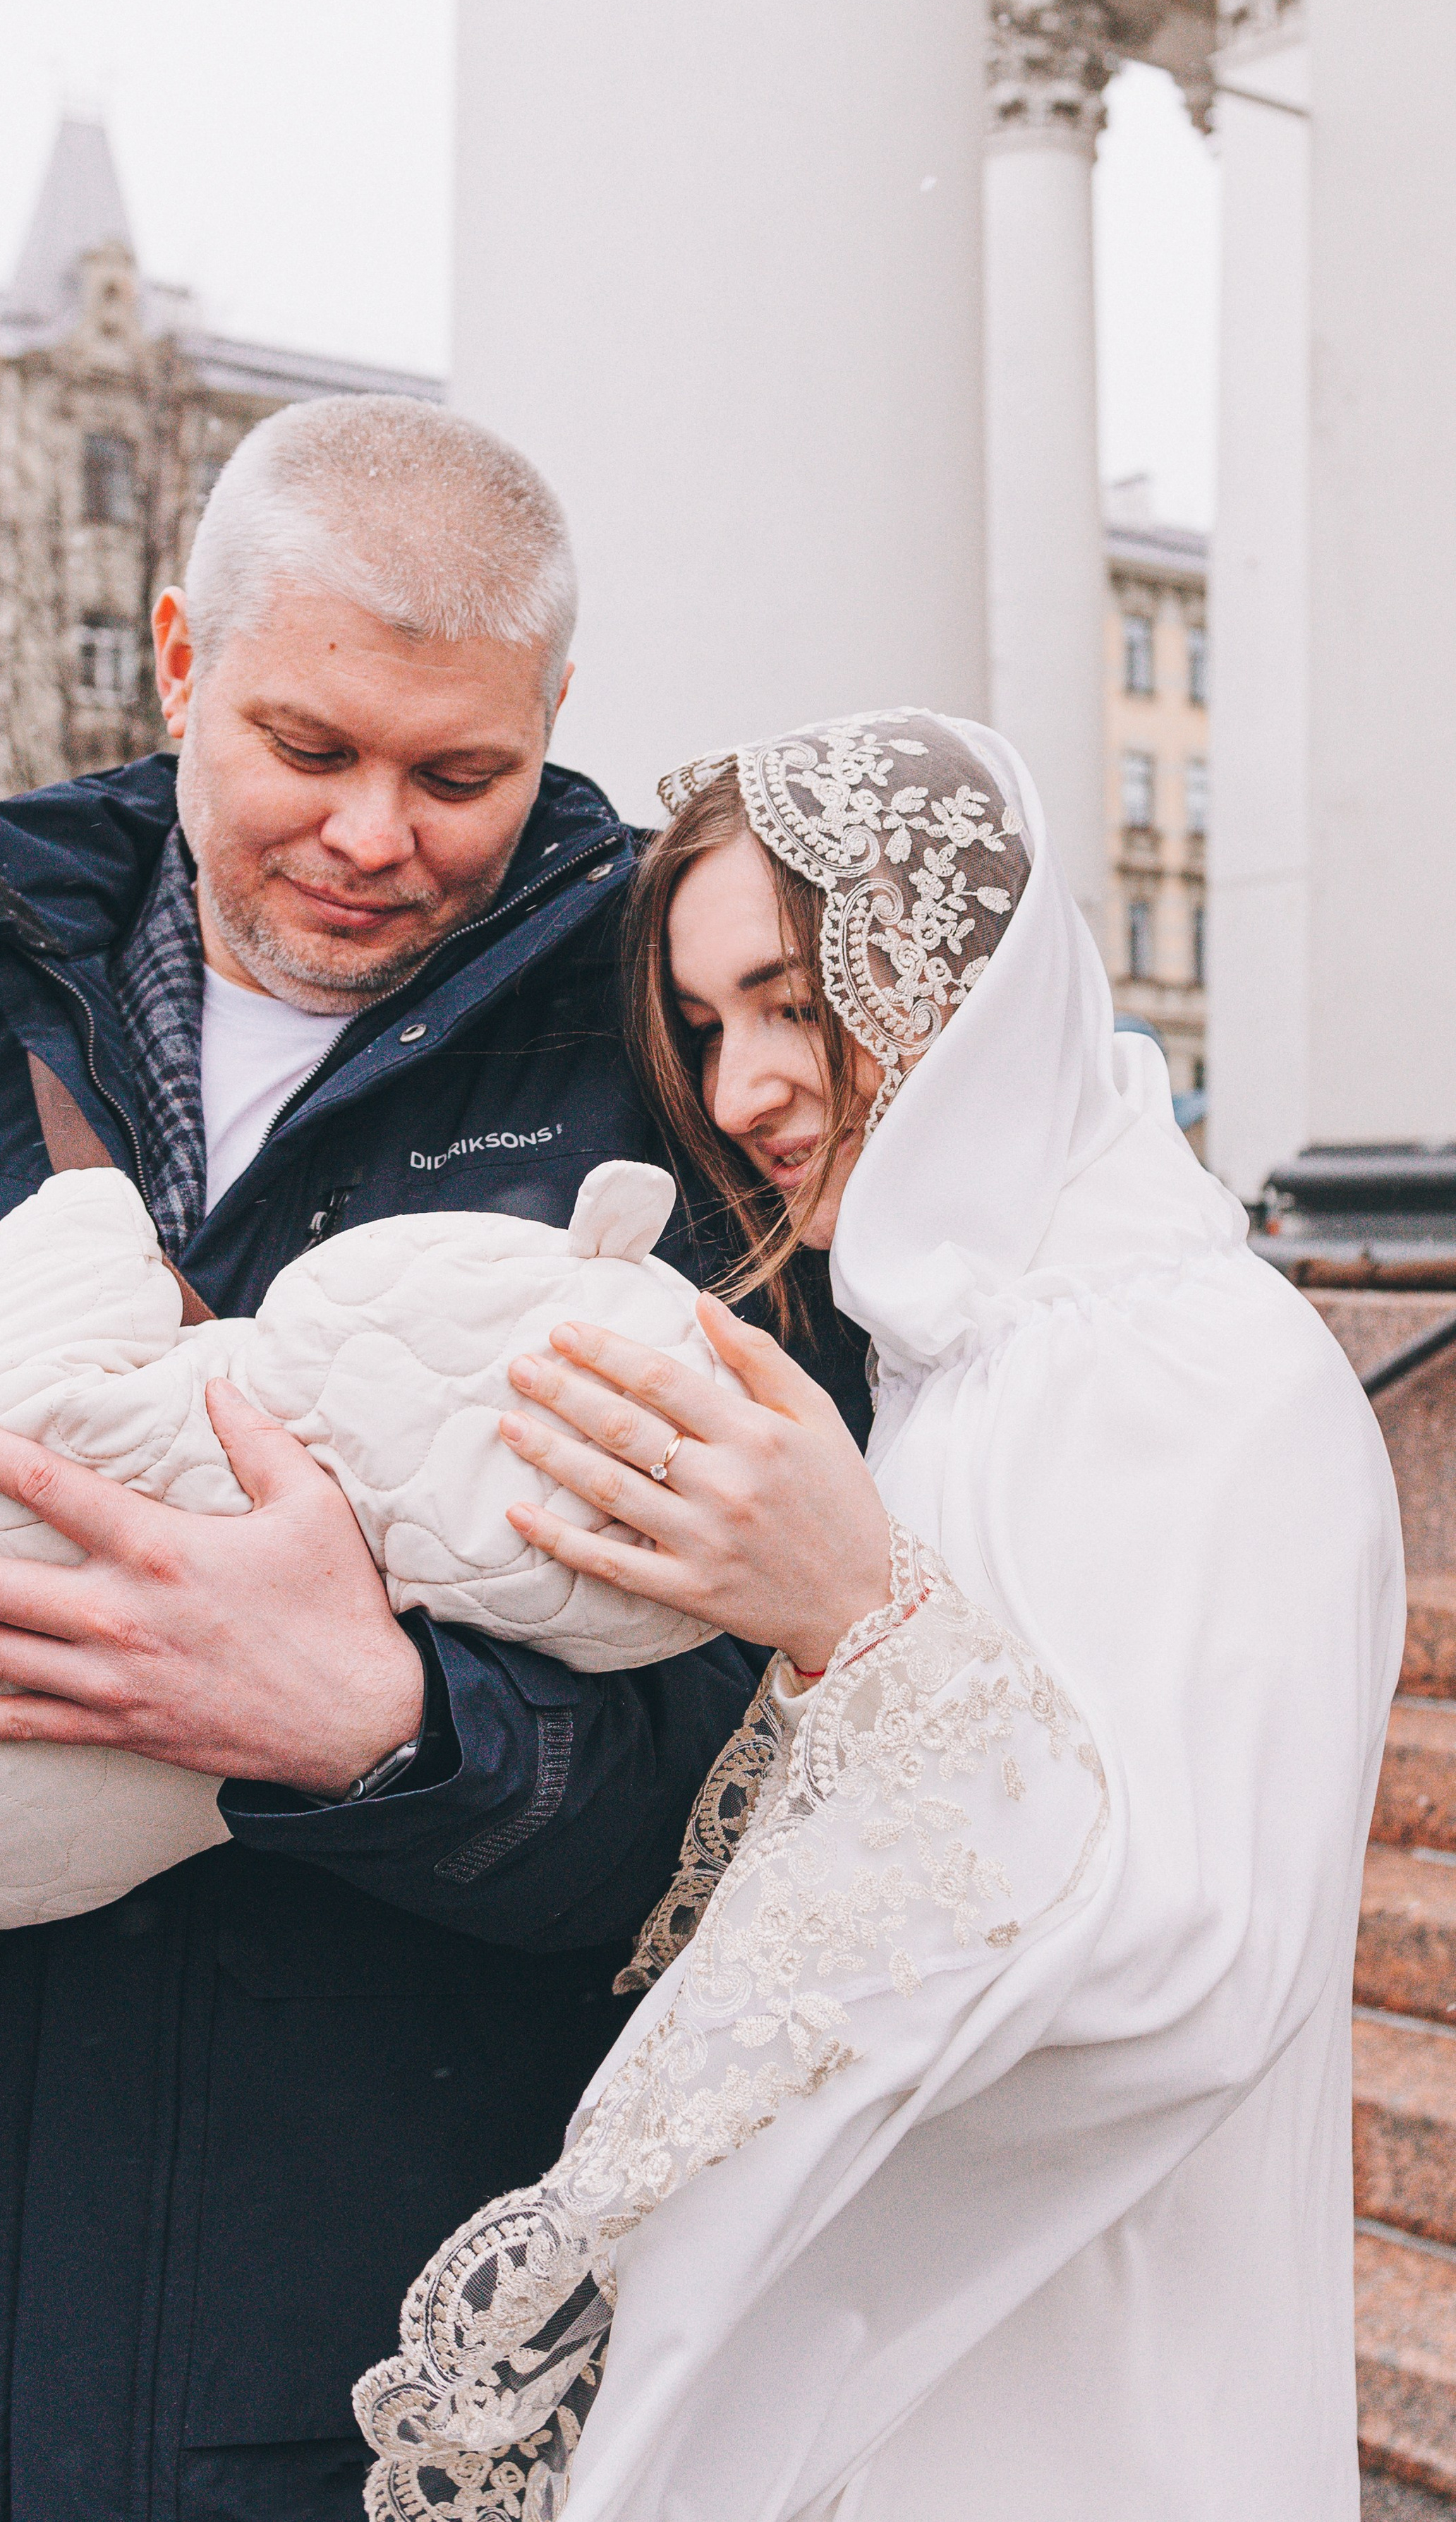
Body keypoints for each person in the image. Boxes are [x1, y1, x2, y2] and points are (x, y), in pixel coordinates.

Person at [0, 399, 867, 2522]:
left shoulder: (676, 1083)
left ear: (553, 715)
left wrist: (384, 1732)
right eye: (310, 749)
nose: (378, 832)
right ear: (181, 657)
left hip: (386, 2395)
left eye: (459, 772)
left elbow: (773, 1777)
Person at [357, 710, 1402, 2522]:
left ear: (961, 978)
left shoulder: (1202, 1364)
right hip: (881, 2373)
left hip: (1087, 2395)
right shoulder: (943, 1369)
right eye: (704, 1028)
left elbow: (1197, 1967)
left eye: (792, 995)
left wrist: (856, 1615)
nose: (745, 1083)